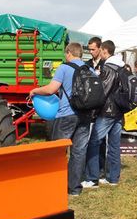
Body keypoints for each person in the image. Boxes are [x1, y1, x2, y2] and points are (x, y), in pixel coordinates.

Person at [29, 42, 93, 196]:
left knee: (57, 152)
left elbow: (51, 89)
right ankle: (74, 188)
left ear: (69, 53)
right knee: (78, 152)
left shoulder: (64, 68)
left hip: (66, 115)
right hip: (85, 115)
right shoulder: (89, 69)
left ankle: (55, 184)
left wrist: (35, 90)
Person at [84, 40, 125, 187]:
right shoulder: (122, 66)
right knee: (114, 145)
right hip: (119, 111)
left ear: (105, 50)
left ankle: (92, 178)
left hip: (107, 111)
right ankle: (112, 178)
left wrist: (93, 109)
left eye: (100, 50)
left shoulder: (108, 67)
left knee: (94, 142)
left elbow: (103, 91)